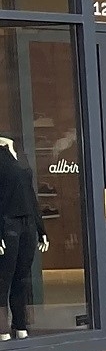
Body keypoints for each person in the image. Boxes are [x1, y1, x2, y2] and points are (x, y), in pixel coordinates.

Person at [1, 135, 41, 338]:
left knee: (22, 276)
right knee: (4, 277)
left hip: (27, 223)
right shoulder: (1, 157)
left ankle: (20, 324)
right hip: (8, 222)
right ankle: (2, 327)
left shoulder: (21, 156)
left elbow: (31, 195)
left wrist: (41, 229)